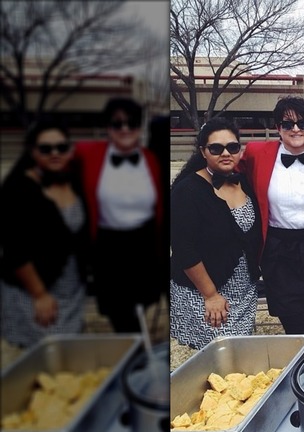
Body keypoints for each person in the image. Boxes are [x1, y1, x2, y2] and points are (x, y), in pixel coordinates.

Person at [239, 96, 304, 335]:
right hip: (278, 248)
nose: (295, 129)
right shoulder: (256, 154)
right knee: (290, 311)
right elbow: (227, 167)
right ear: (277, 127)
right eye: (287, 124)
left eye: (303, 123)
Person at [73, 97, 165, 333]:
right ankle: (134, 357)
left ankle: (140, 350)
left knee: (143, 305)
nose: (125, 129)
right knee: (119, 312)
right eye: (117, 123)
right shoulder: (87, 155)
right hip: (108, 246)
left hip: (145, 244)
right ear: (107, 127)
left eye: (131, 123)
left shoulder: (152, 159)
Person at [169, 117, 263, 349]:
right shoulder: (187, 191)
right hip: (205, 295)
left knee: (240, 359)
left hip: (244, 294)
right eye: (215, 148)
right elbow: (183, 249)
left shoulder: (244, 182)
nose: (225, 153)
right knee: (223, 360)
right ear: (203, 151)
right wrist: (210, 295)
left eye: (232, 147)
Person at [1, 118, 90, 348]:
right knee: (41, 356)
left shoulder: (73, 180)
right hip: (33, 292)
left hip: (71, 290)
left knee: (67, 351)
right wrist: (39, 294)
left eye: (61, 147)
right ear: (32, 152)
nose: (54, 153)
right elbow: (14, 248)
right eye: (45, 148)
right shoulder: (19, 189)